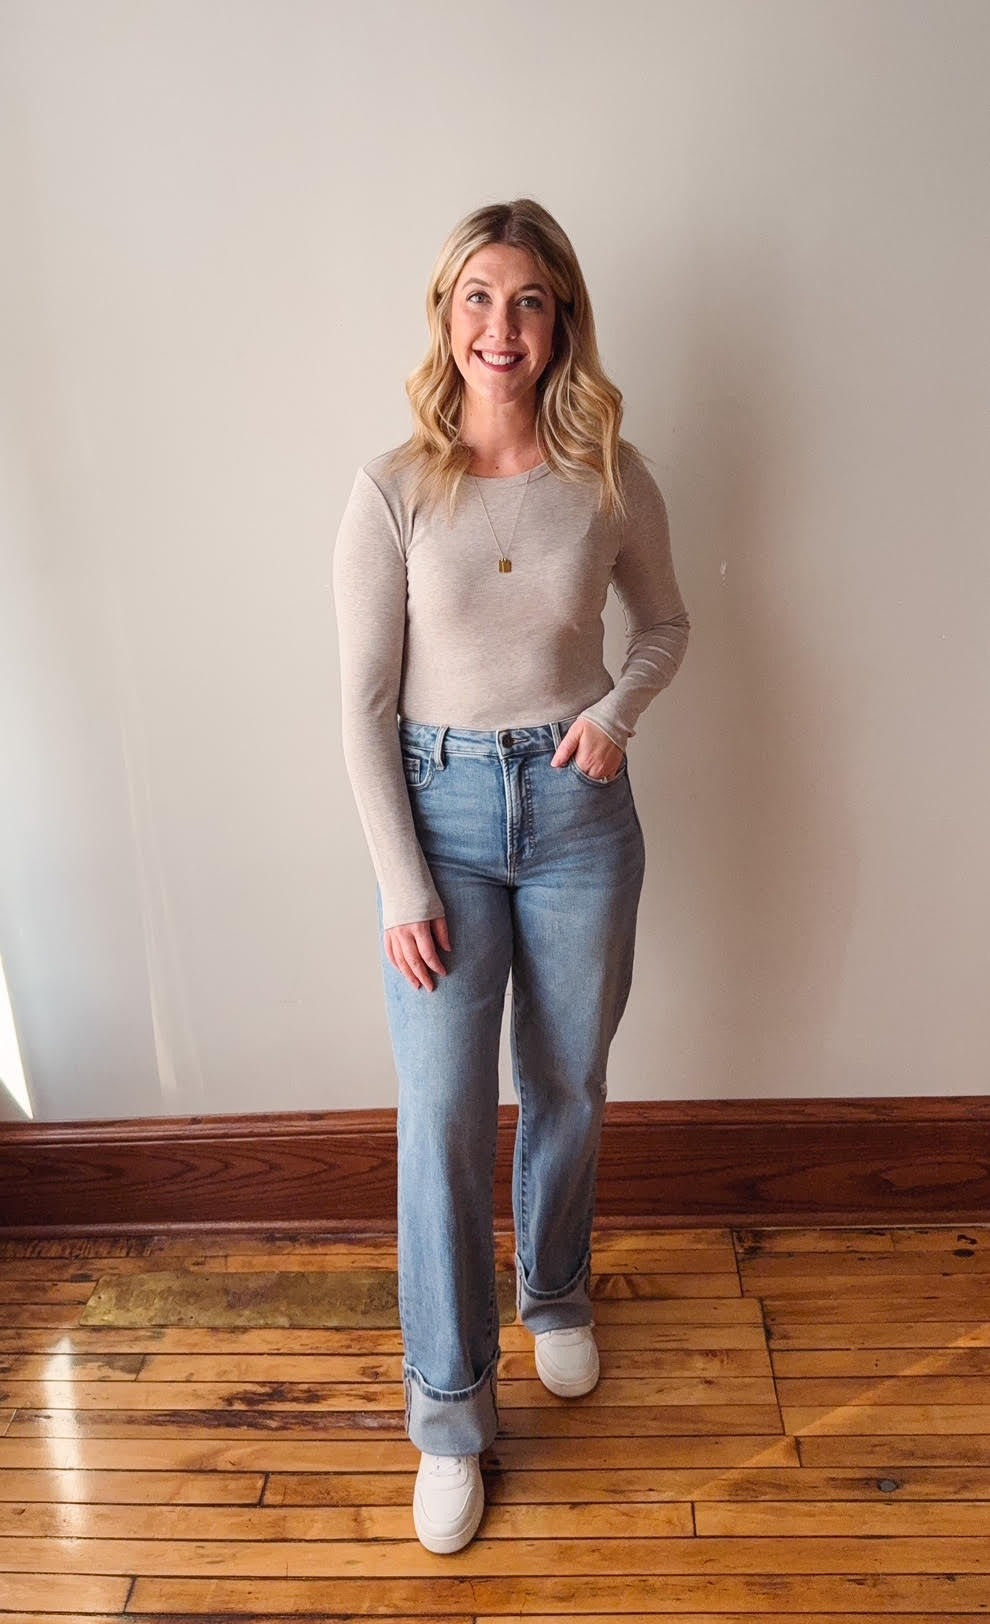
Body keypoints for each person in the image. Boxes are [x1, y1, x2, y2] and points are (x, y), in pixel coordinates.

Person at [332, 198, 689, 1554]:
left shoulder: (608, 473)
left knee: (567, 1080)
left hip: (581, 811)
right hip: (436, 813)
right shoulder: (391, 488)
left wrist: (615, 713)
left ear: (560, 322)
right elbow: (361, 705)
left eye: (528, 300)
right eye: (476, 298)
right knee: (436, 1120)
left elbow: (662, 621)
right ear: (445, 318)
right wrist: (400, 885)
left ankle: (554, 1298)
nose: (501, 326)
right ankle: (448, 1414)